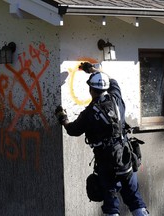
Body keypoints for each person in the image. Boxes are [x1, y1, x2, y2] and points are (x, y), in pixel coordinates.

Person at [55, 62, 149, 216]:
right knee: (134, 198)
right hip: (126, 157)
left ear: (91, 90)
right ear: (105, 88)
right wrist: (93, 69)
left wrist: (62, 118)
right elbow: (113, 81)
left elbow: (73, 130)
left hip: (107, 162)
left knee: (111, 204)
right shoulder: (116, 98)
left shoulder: (89, 113)